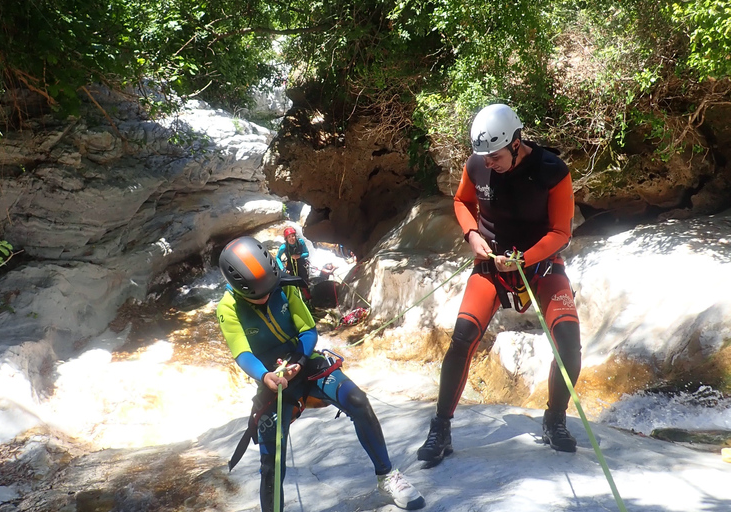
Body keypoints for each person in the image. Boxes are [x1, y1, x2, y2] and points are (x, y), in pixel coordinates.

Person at [417, 103, 582, 466]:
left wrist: (525, 257)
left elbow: (561, 232)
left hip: (539, 264)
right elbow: (462, 201)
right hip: (492, 265)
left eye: (495, 157)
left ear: (517, 142)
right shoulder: (477, 164)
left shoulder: (551, 170)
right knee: (462, 336)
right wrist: (471, 233)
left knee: (568, 341)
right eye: (484, 158)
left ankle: (554, 419)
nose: (488, 164)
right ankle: (440, 428)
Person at [217, 236, 426, 511]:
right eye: (259, 295)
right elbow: (242, 353)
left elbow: (307, 330)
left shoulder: (285, 285)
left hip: (306, 362)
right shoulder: (228, 308)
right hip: (273, 380)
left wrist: (300, 361)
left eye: (270, 288)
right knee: (271, 461)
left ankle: (386, 475)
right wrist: (265, 377)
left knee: (358, 401)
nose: (268, 296)